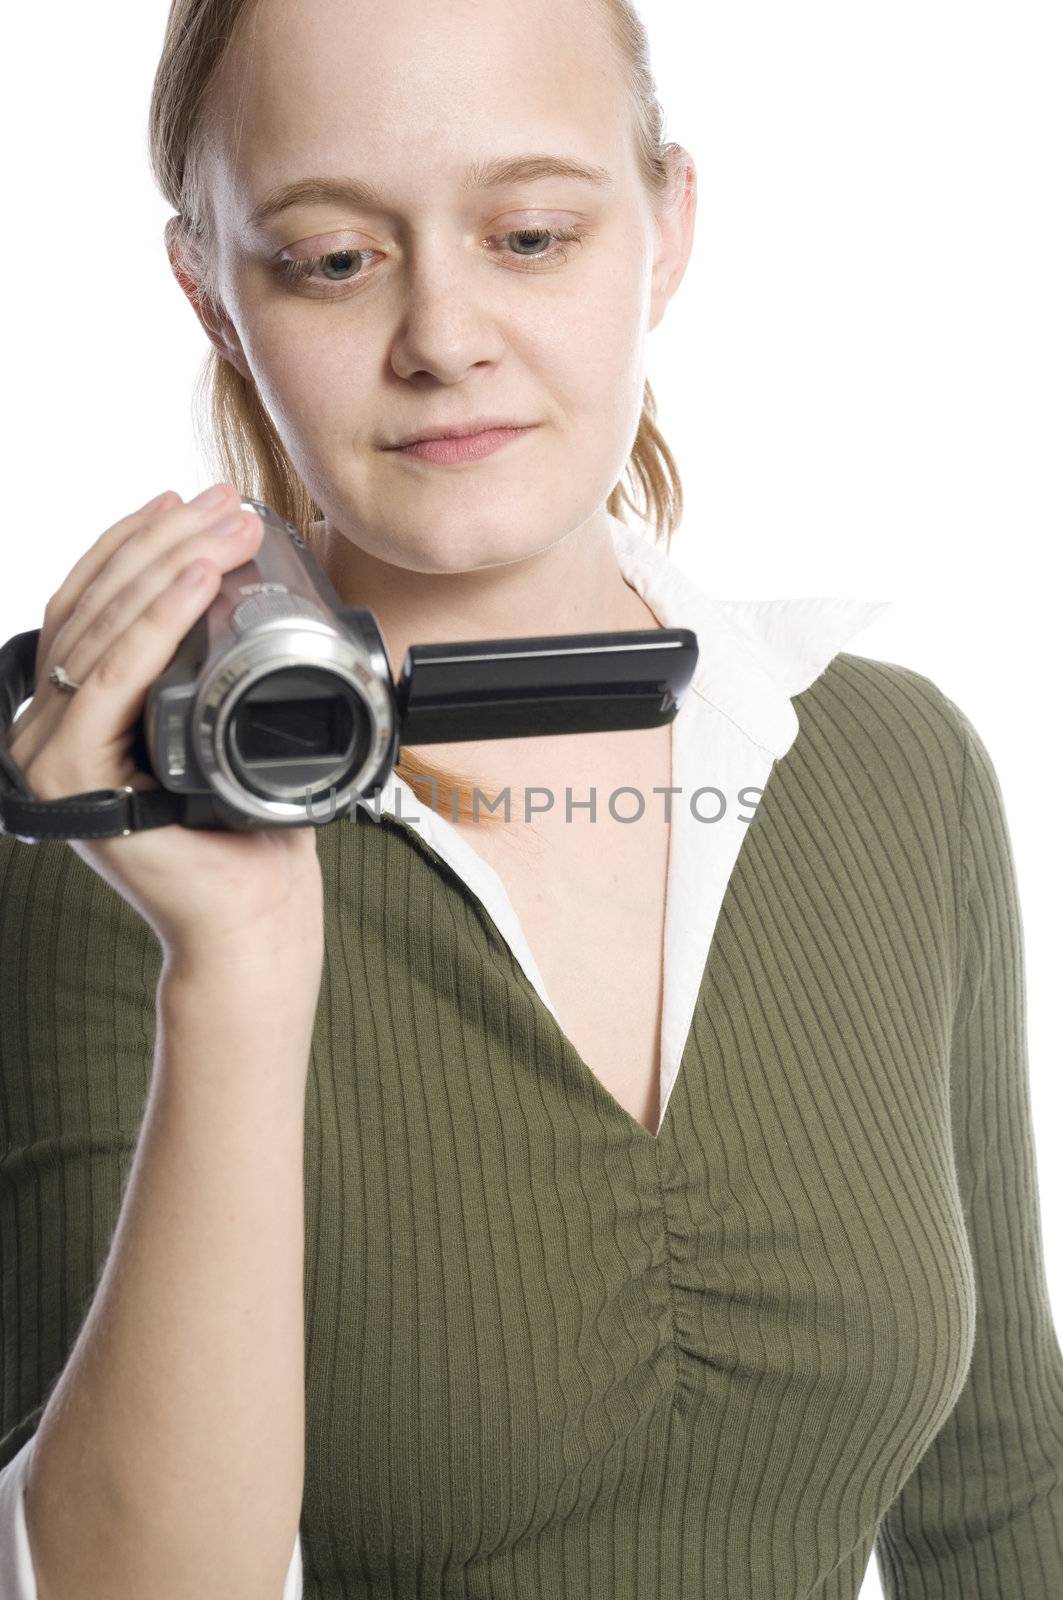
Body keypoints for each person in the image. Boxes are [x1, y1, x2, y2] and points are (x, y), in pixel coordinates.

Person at [1, 1, 1061, 1596]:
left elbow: (1000, 1494)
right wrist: (237, 963)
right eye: (335, 260)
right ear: (209, 287)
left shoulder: (892, 769)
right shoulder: (101, 853)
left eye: (532, 233)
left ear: (668, 228)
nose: (446, 335)